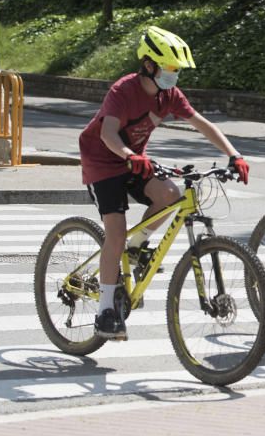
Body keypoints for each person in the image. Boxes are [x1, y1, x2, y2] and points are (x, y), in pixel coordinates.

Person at [79, 26, 250, 340]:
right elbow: (107, 134)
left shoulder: (169, 95)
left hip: (134, 161)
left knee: (171, 194)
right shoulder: (123, 90)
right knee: (115, 231)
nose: (174, 75)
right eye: (169, 69)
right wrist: (130, 154)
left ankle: (136, 245)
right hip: (102, 161)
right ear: (148, 65)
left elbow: (202, 123)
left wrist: (234, 154)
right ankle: (105, 310)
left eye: (177, 70)